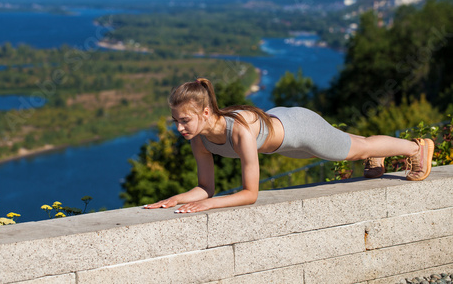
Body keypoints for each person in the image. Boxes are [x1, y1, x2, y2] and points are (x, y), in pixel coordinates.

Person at [144, 78, 435, 214]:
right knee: (357, 146)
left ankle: (416, 148)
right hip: (280, 137)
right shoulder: (200, 140)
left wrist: (207, 205)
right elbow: (205, 187)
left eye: (185, 120)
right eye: (176, 121)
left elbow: (250, 194)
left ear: (206, 113)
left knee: (354, 150)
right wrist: (177, 198)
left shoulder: (240, 132)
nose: (180, 128)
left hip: (299, 128)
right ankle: (376, 155)